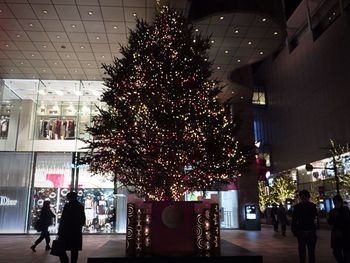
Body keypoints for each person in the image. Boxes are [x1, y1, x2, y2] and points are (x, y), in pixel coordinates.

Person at [58, 191, 86, 263]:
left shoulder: (67, 206)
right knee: (74, 249)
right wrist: (79, 226)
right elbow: (83, 218)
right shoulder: (80, 206)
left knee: (62, 247)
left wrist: (60, 230)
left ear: (69, 197)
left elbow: (64, 219)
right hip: (76, 230)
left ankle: (65, 261)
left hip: (66, 230)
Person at [291, 189, 318, 263]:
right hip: (305, 231)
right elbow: (294, 220)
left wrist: (294, 230)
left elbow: (294, 220)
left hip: (306, 231)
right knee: (307, 251)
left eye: (305, 197)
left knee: (306, 251)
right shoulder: (311, 206)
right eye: (302, 197)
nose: (303, 199)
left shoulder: (299, 207)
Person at [327, 195, 350, 263]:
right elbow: (330, 222)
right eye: (335, 202)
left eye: (337, 202)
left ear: (340, 202)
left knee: (346, 252)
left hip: (345, 234)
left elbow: (347, 221)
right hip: (336, 234)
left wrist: (337, 216)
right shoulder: (332, 211)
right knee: (336, 251)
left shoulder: (345, 210)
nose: (336, 204)